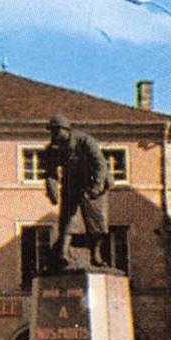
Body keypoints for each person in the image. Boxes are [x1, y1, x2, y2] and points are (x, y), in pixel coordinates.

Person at [41, 113, 111, 270]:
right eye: (52, 131)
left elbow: (100, 164)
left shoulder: (85, 141)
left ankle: (95, 255)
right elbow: (50, 172)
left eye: (56, 131)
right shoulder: (53, 148)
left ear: (66, 130)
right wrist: (53, 192)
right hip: (72, 183)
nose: (54, 135)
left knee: (96, 221)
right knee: (67, 217)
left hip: (94, 181)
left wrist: (95, 187)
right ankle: (63, 254)